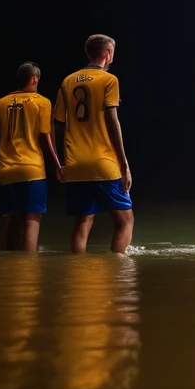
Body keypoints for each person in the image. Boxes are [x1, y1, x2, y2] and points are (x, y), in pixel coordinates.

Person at [54, 34, 134, 253]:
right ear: (107, 54)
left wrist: (62, 161)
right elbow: (111, 119)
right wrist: (124, 162)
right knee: (125, 221)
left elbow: (58, 124)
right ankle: (119, 274)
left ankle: (77, 273)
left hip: (75, 163)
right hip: (103, 162)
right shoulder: (109, 80)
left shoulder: (67, 81)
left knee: (82, 222)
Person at [0, 61, 61, 252]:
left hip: (7, 170)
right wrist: (57, 165)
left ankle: (4, 263)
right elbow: (46, 138)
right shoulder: (42, 102)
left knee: (9, 220)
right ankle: (29, 268)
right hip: (32, 169)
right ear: (34, 78)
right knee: (31, 221)